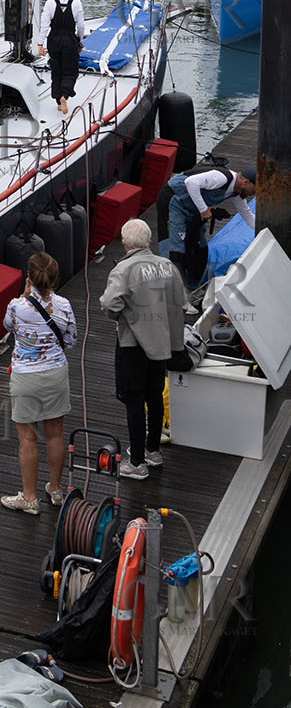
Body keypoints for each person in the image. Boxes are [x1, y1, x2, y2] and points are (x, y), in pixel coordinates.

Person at [100, 219, 190, 478]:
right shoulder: (168, 266)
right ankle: (153, 450)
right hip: (162, 343)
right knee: (154, 395)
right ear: (149, 240)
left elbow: (109, 305)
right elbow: (183, 303)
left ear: (124, 242)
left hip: (133, 344)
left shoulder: (124, 269)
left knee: (134, 400)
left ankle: (137, 462)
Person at [0, 252, 77, 515]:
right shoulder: (64, 305)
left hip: (25, 377)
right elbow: (71, 340)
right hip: (55, 373)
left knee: (27, 437)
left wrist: (24, 295)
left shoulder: (16, 306)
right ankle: (55, 489)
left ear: (30, 278)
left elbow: (7, 326)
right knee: (55, 433)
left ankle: (30, 499)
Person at [160, 162, 255, 274]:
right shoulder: (222, 178)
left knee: (200, 248)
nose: (253, 194)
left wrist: (263, 232)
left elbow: (246, 214)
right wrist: (203, 209)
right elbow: (190, 182)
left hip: (191, 206)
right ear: (246, 182)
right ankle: (171, 279)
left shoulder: (237, 192)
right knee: (176, 248)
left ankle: (192, 281)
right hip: (174, 199)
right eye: (254, 190)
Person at [37, 0, 86, 115]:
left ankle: (59, 101)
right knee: (70, 71)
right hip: (70, 40)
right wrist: (80, 41)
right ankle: (65, 95)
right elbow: (81, 26)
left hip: (54, 40)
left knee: (56, 71)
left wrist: (40, 44)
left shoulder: (49, 3)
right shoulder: (76, 3)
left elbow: (44, 26)